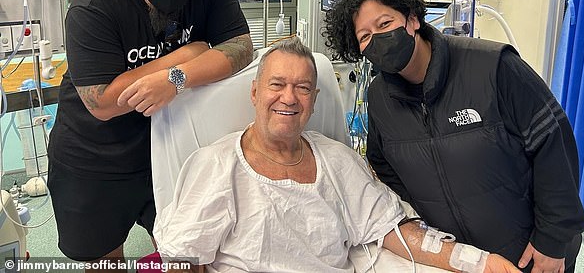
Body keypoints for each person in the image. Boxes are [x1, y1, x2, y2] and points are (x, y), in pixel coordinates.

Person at [153, 37, 520, 273]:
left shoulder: (337, 160)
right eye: (277, 85)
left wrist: (480, 263)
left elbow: (389, 228)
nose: (288, 97)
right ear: (254, 93)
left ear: (313, 102)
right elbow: (185, 257)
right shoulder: (218, 166)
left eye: (302, 88)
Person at [322, 0, 584, 273]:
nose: (378, 39)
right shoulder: (380, 99)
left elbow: (554, 145)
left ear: (412, 20)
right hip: (464, 260)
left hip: (530, 252)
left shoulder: (492, 67)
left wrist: (552, 241)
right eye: (365, 36)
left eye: (385, 24)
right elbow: (384, 165)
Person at [48, 0, 254, 266]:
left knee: (189, 254)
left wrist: (176, 80)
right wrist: (185, 55)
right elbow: (105, 102)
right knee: (105, 259)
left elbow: (240, 48)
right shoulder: (95, 7)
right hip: (95, 158)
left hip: (173, 148)